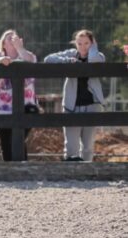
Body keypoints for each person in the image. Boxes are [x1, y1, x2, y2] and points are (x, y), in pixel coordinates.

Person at [43, 30, 106, 161]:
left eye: (87, 43)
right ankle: (71, 172)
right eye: (79, 43)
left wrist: (94, 48)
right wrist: (67, 61)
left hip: (92, 106)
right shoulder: (71, 54)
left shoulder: (98, 56)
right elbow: (48, 59)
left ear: (92, 43)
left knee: (88, 146)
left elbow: (95, 60)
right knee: (71, 146)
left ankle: (87, 171)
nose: (83, 46)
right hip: (72, 106)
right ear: (75, 44)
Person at [0, 29, 38, 161]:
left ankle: (21, 170)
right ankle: (10, 171)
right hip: (2, 109)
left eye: (15, 38)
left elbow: (31, 60)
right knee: (6, 143)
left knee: (18, 138)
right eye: (9, 38)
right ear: (3, 44)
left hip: (26, 107)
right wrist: (0, 60)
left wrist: (20, 48)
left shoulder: (26, 55)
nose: (13, 40)